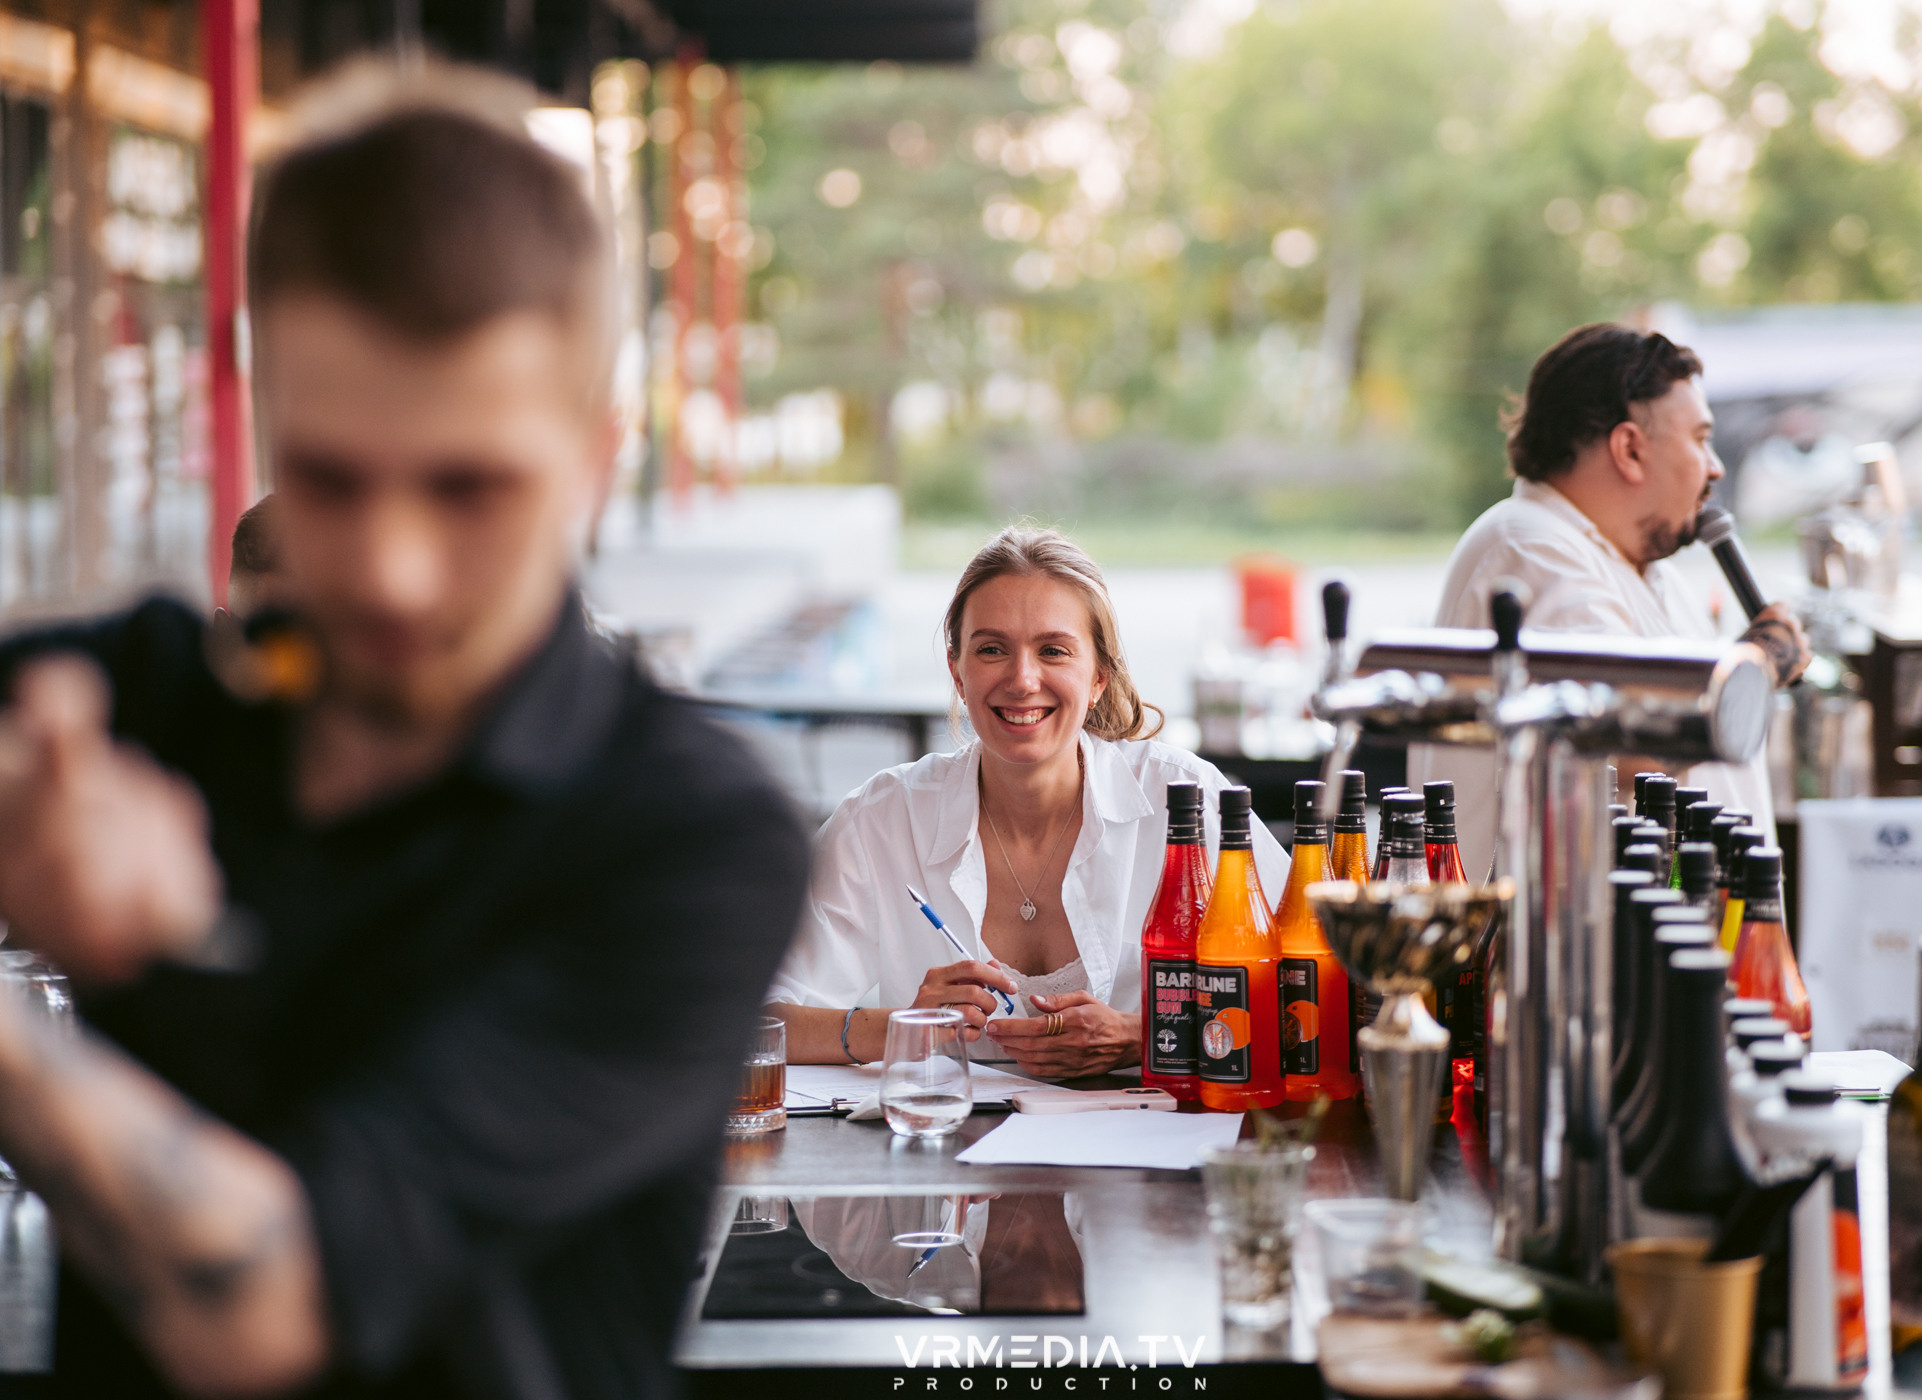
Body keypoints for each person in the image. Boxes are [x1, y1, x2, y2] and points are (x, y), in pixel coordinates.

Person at [0, 63, 806, 1399]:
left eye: (469, 486)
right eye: (328, 477)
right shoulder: (161, 698)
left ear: (594, 462)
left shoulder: (685, 832)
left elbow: (265, 1307)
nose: (389, 571)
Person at [768, 527, 1287, 1077]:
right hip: (945, 1149)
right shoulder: (881, 819)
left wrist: (1144, 1038)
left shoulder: (1183, 798)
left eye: (1053, 651)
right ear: (957, 672)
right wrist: (905, 1026)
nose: (1022, 679)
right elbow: (752, 1017)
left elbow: (1313, 990)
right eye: (991, 649)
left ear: (1098, 679)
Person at [1414, 323, 1810, 869]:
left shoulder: (1626, 562)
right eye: (1699, 439)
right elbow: (1625, 743)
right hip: (1563, 944)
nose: (1715, 466)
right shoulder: (1533, 550)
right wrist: (1762, 660)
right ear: (1628, 448)